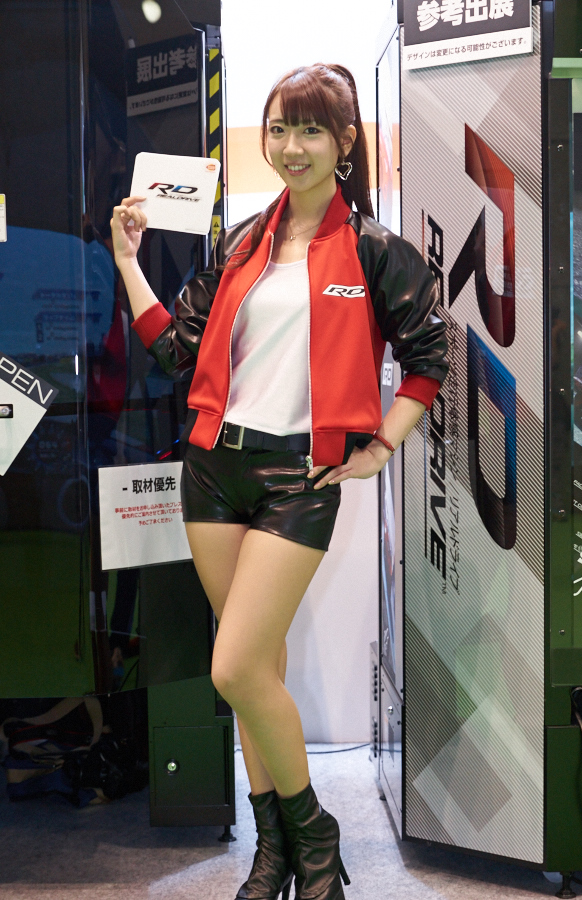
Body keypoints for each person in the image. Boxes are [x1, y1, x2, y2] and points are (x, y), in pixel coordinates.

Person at [111, 63, 448, 900]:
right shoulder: (240, 244)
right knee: (256, 665)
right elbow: (175, 350)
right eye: (278, 129)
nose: (290, 147)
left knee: (232, 669)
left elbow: (429, 357)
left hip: (297, 478)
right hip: (211, 471)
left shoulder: (373, 250)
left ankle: (315, 837)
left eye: (309, 130)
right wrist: (127, 260)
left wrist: (380, 447)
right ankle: (276, 852)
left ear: (344, 142)